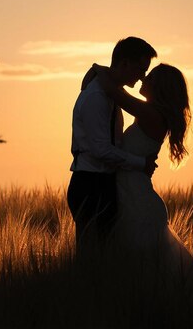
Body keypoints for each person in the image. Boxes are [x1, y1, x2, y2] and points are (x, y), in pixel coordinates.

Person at [84, 62, 193, 288]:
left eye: (150, 77)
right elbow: (115, 91)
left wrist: (98, 68)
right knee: (146, 272)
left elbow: (113, 90)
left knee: (150, 274)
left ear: (160, 87)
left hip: (137, 202)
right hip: (132, 197)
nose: (143, 79)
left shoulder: (150, 114)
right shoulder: (149, 113)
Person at [67, 37, 158, 257]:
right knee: (93, 259)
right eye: (140, 68)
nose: (142, 76)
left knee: (106, 256)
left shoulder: (110, 93)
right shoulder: (97, 97)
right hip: (90, 183)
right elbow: (101, 150)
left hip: (103, 184)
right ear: (125, 63)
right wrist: (141, 163)